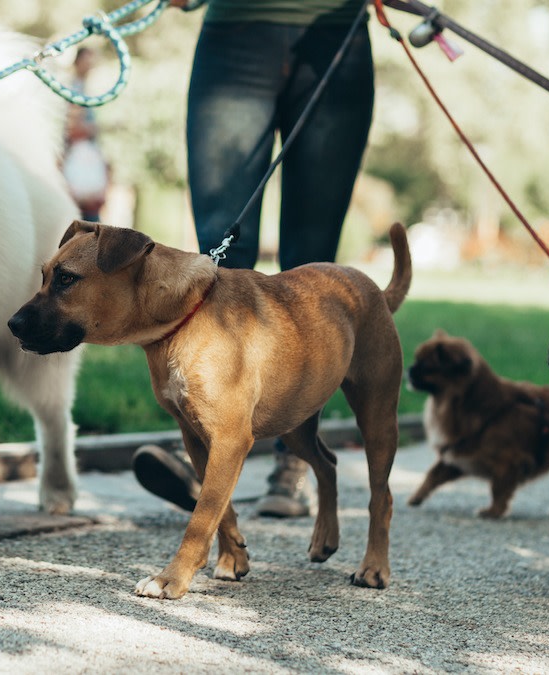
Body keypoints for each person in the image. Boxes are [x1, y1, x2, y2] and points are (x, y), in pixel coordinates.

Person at [132, 0, 376, 518]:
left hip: (336, 33)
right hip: (235, 33)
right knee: (219, 256)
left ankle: (295, 457)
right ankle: (203, 443)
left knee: (311, 269)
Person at [62, 47, 110, 221]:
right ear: (78, 62)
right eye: (87, 60)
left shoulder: (82, 87)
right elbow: (73, 125)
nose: (90, 65)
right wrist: (93, 128)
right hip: (78, 157)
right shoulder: (75, 89)